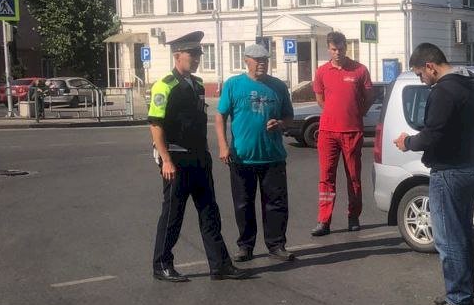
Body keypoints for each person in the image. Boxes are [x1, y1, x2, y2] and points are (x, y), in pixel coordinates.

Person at [394, 43, 474, 305]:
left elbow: (433, 134)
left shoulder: (444, 91)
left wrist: (407, 142)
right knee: (462, 235)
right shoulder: (472, 85)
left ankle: (458, 298)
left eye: (420, 74)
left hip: (449, 172)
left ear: (431, 66)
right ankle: (461, 291)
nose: (421, 80)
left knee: (448, 239)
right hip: (472, 168)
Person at [148, 31, 244, 282]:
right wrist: (166, 159)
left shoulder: (198, 84)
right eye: (192, 54)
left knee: (209, 211)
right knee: (173, 214)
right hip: (176, 159)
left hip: (200, 158)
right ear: (177, 55)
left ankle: (219, 264)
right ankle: (161, 264)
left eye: (199, 54)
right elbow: (156, 125)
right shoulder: (164, 85)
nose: (197, 59)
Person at [215, 43, 295, 263]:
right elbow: (220, 116)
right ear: (246, 61)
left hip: (273, 156)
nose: (262, 64)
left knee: (276, 203)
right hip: (242, 156)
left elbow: (289, 117)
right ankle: (245, 246)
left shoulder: (278, 86)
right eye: (257, 60)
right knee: (243, 203)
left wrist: (280, 123)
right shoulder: (234, 85)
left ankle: (277, 245)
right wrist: (223, 146)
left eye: (265, 60)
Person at [311, 31, 374, 236]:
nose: (337, 53)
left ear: (346, 47)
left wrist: (356, 113)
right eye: (333, 49)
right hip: (328, 132)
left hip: (352, 131)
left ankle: (353, 216)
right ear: (328, 49)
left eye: (340, 49)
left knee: (354, 176)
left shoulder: (359, 70)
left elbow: (369, 97)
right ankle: (324, 221)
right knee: (326, 177)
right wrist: (333, 114)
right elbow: (321, 100)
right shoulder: (322, 71)